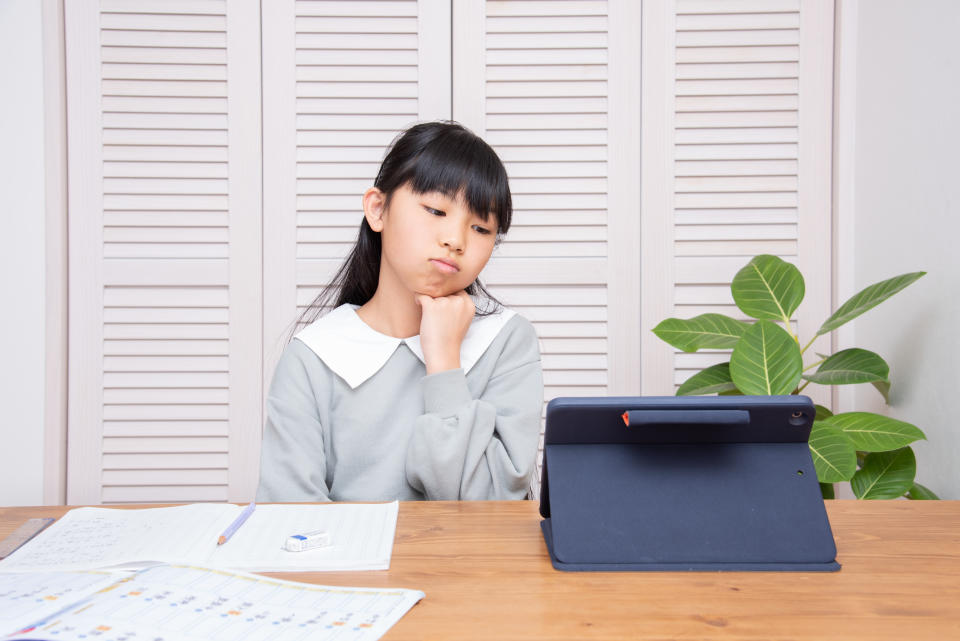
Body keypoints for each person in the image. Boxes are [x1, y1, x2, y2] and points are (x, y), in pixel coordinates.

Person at [256, 121, 544, 502]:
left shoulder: (507, 341)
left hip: (471, 564)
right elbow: (290, 524)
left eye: (480, 227)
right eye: (436, 210)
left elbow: (494, 511)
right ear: (378, 210)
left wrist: (443, 363)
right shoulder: (313, 356)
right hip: (349, 564)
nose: (455, 240)